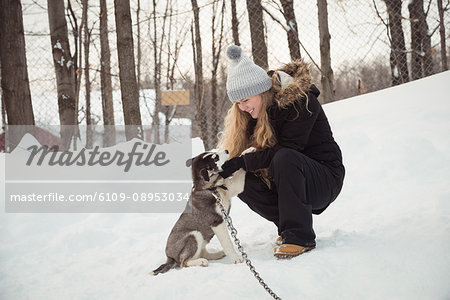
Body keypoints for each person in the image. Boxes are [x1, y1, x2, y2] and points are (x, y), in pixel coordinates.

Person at [218, 45, 345, 258]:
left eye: (246, 100)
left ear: (261, 91)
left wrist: (243, 161)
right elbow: (244, 160)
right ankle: (288, 227)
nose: (243, 107)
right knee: (240, 177)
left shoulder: (301, 102)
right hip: (291, 178)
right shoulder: (253, 115)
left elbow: (286, 150)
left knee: (284, 157)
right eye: (238, 102)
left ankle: (299, 236)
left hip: (324, 178)